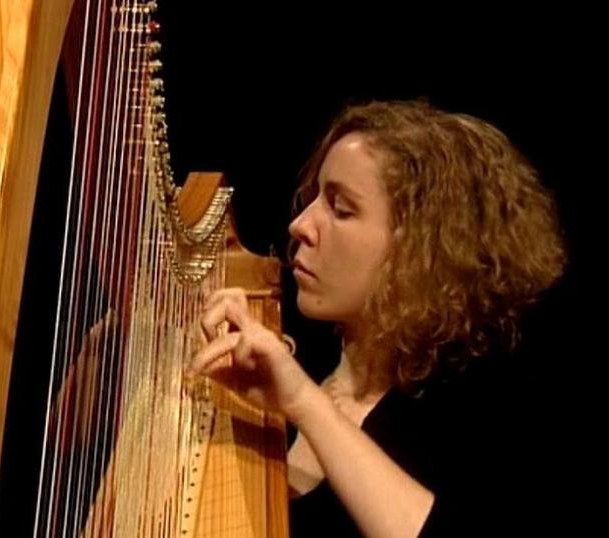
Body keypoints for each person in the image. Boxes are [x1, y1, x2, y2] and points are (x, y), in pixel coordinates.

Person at [186, 100, 567, 537]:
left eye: (341, 209)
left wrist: (302, 403)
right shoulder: (289, 352)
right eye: (313, 199)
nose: (300, 225)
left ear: (420, 253)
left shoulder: (482, 414)